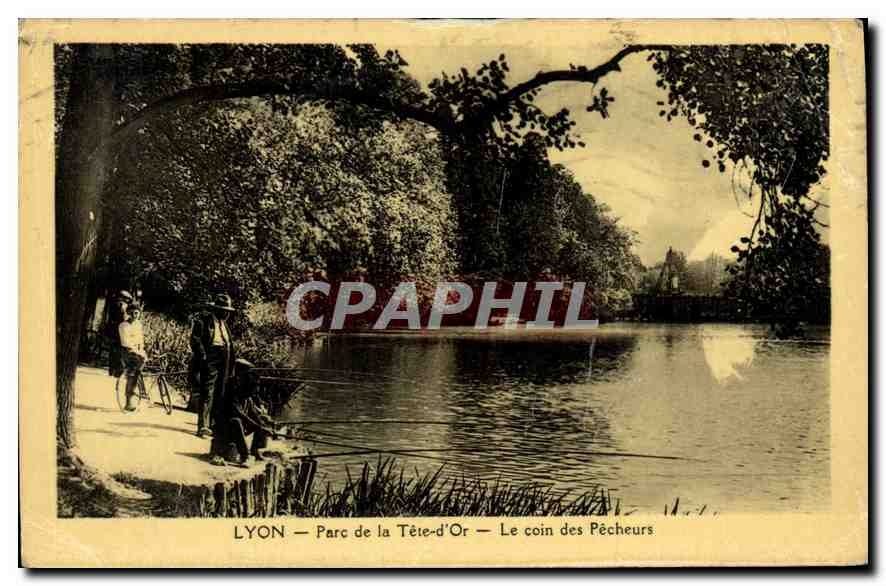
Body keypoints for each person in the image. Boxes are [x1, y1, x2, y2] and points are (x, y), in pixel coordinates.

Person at [209, 359, 276, 467]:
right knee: (236, 421)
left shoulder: (245, 389)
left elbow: (253, 413)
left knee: (262, 420)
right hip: (223, 428)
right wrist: (258, 427)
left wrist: (263, 425)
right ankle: (245, 456)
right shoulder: (229, 388)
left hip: (238, 426)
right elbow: (237, 412)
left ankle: (255, 450)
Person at [189, 293, 236, 437]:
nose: (227, 313)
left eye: (228, 311)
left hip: (224, 359)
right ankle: (202, 426)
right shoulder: (203, 321)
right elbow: (195, 340)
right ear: (216, 309)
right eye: (224, 310)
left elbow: (229, 345)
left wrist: (231, 366)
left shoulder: (224, 325)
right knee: (207, 391)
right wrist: (203, 357)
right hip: (210, 359)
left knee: (220, 393)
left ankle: (215, 426)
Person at [118, 304, 147, 411]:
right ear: (128, 313)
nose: (134, 315)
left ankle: (138, 389)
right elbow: (126, 343)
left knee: (139, 369)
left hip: (138, 351)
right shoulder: (124, 325)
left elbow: (140, 340)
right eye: (132, 313)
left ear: (139, 314)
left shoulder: (138, 325)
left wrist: (142, 351)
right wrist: (138, 352)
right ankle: (128, 401)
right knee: (132, 374)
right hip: (128, 352)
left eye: (136, 313)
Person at [107, 290, 133, 378]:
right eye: (127, 299)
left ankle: (112, 370)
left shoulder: (115, 305)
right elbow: (124, 318)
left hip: (114, 331)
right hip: (119, 332)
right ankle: (117, 371)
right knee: (119, 351)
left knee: (113, 351)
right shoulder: (122, 306)